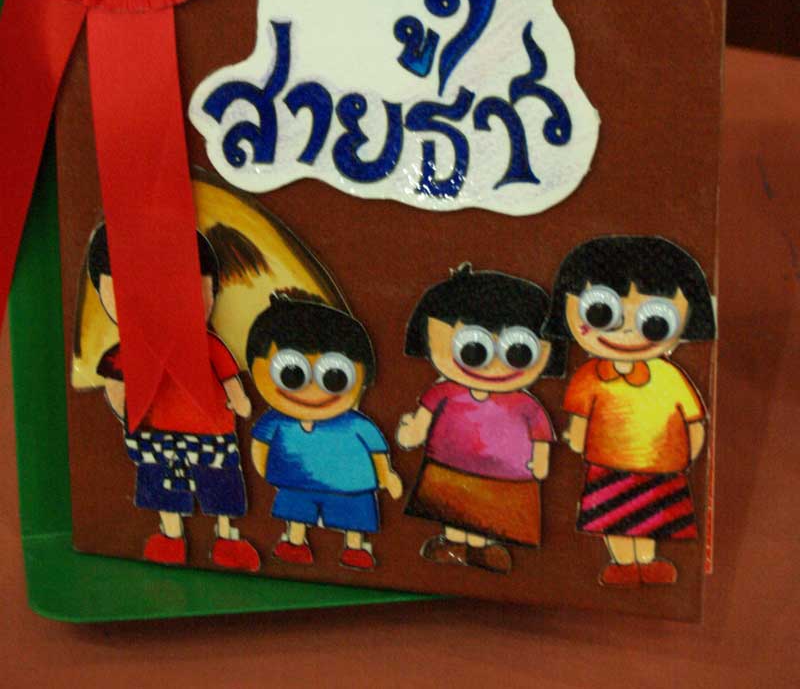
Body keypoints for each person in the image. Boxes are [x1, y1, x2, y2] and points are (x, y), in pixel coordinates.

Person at [541, 235, 716, 586]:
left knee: (654, 518)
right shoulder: (589, 377)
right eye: (601, 313)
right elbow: (580, 417)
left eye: (654, 321)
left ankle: (646, 562)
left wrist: (690, 452)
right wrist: (578, 440)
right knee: (614, 517)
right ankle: (622, 563)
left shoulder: (670, 377)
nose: (626, 329)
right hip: (608, 466)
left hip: (662, 467)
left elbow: (694, 419)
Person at [92, 222, 260, 571]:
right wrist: (127, 412)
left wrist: (240, 399)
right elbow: (116, 386)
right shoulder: (131, 349)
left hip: (211, 429)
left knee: (219, 484)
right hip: (157, 433)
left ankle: (227, 536)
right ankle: (171, 535)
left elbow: (228, 376)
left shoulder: (208, 345)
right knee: (163, 485)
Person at [397, 263, 557, 574]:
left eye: (518, 353)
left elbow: (541, 433)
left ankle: (482, 547)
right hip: (449, 467)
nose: (493, 365)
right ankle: (453, 543)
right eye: (473, 350)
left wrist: (540, 461)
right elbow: (423, 419)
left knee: (488, 516)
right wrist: (412, 431)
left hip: (506, 477)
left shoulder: (526, 404)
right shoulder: (443, 392)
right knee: (452, 509)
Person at [247, 293, 402, 570]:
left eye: (334, 377)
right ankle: (295, 542)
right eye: (292, 374)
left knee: (353, 515)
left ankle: (354, 547)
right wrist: (264, 469)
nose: (312, 390)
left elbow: (377, 451)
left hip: (351, 486)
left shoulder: (356, 424)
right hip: (294, 482)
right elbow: (260, 445)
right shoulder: (276, 421)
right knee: (296, 511)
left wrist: (386, 475)